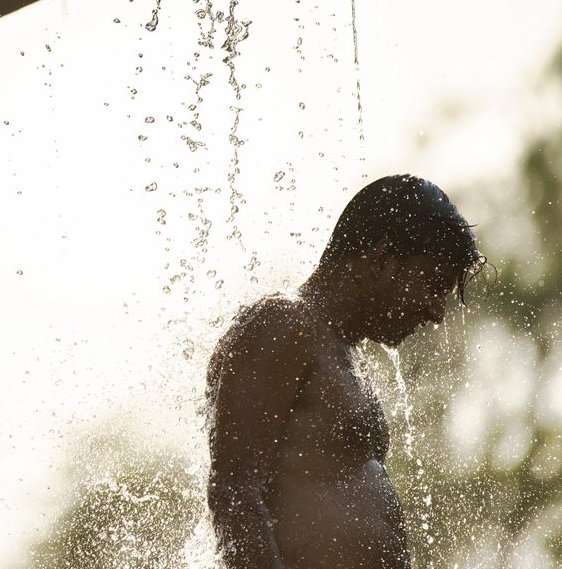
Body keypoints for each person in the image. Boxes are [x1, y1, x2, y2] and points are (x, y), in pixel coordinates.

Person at [205, 174, 484, 569]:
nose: (436, 312)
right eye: (432, 284)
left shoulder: (345, 354)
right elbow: (234, 489)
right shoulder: (282, 324)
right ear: (381, 259)